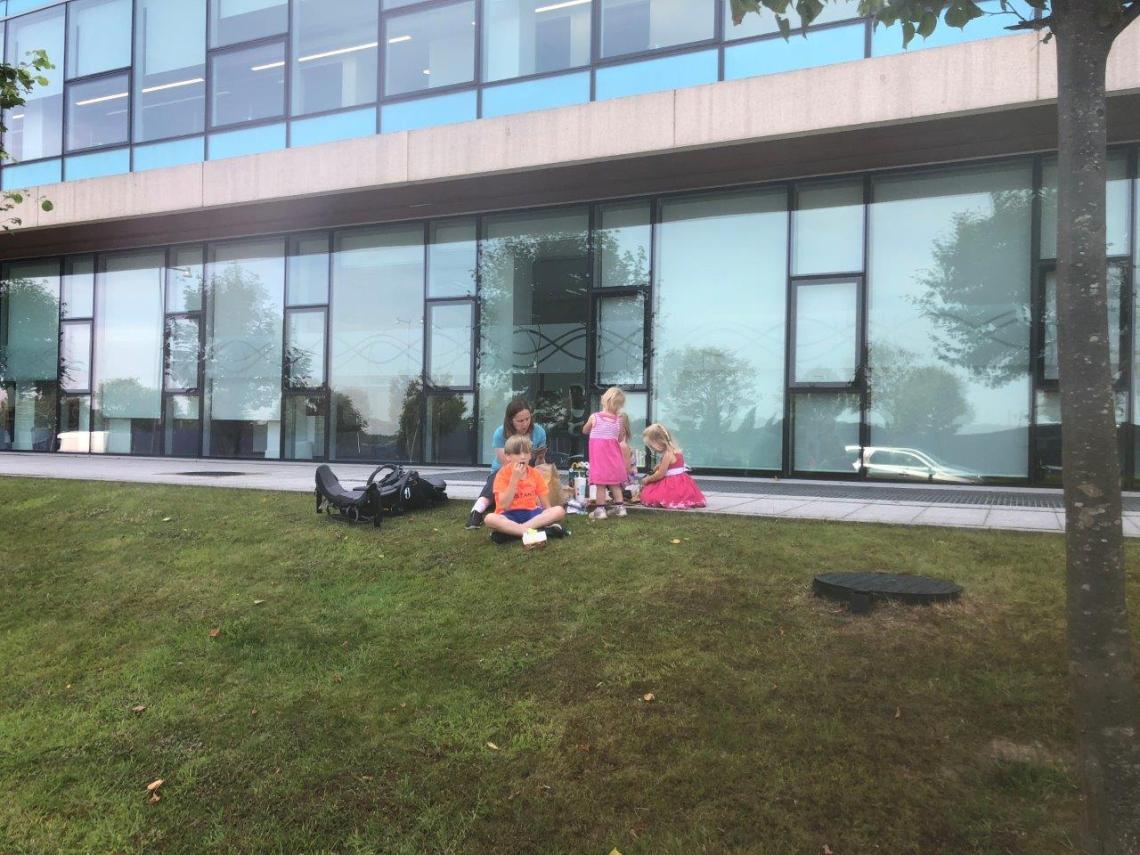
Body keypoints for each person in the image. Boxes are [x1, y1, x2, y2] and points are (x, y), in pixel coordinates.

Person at [465, 398, 547, 529]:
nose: (525, 424)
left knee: (540, 475)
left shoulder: (539, 432)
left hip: (530, 471)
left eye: (527, 419)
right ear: (511, 420)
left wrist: (541, 458)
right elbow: (506, 463)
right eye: (520, 421)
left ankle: (537, 511)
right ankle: (477, 511)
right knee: (497, 478)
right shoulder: (500, 433)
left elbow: (539, 464)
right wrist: (517, 476)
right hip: (505, 469)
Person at [484, 435, 568, 544]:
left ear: (530, 456)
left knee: (559, 511)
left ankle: (514, 532)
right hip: (508, 514)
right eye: (518, 453)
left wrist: (549, 515)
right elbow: (504, 505)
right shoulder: (502, 474)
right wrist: (514, 479)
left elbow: (546, 506)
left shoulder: (535, 474)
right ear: (508, 456)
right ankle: (538, 532)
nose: (523, 457)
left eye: (526, 453)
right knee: (490, 519)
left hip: (531, 514)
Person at [582, 386, 628, 520]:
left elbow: (585, 430)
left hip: (599, 460)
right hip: (614, 459)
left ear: (604, 400)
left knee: (600, 485)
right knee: (615, 484)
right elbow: (620, 438)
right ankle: (620, 508)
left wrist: (590, 427)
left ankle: (600, 510)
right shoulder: (618, 421)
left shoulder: (594, 417)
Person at [639, 423, 706, 509]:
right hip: (682, 482)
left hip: (671, 484)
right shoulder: (677, 451)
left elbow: (660, 474)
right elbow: (673, 465)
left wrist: (648, 479)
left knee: (650, 495)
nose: (652, 449)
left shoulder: (667, 454)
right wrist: (659, 466)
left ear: (659, 441)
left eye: (651, 446)